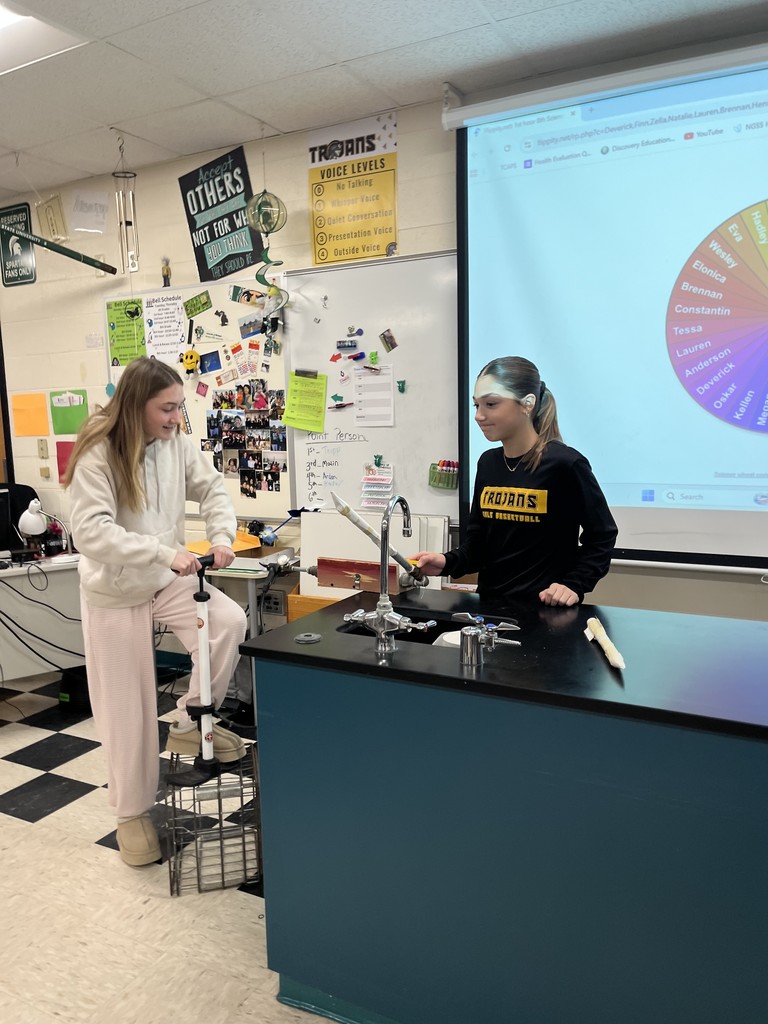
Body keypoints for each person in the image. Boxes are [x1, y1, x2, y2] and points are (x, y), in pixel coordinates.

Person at [63, 358, 247, 867]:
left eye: (179, 407)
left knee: (228, 622)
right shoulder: (97, 453)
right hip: (115, 590)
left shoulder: (176, 445)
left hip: (163, 579)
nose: (175, 418)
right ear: (135, 405)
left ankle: (192, 720)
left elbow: (211, 489)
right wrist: (164, 552)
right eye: (166, 408)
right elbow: (92, 534)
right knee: (128, 710)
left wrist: (221, 536)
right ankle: (131, 813)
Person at [414, 356, 617, 606]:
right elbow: (478, 545)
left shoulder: (565, 464)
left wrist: (574, 584)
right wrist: (446, 562)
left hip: (546, 614)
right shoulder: (488, 463)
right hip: (490, 610)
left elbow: (602, 535)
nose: (479, 416)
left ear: (527, 404)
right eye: (476, 405)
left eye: (491, 404)